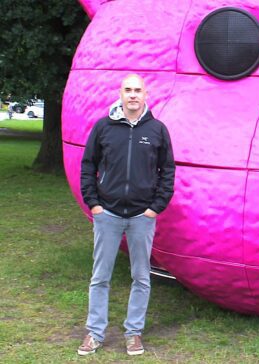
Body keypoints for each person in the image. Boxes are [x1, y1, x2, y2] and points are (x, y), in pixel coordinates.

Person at [78, 74, 175, 356]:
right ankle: (95, 333)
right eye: (128, 90)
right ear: (120, 94)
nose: (133, 95)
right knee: (100, 276)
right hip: (107, 213)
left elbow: (167, 171)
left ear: (146, 95)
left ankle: (133, 333)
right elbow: (88, 165)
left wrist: (155, 207)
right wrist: (94, 203)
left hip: (141, 217)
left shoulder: (157, 130)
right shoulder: (104, 127)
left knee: (141, 276)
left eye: (138, 90)